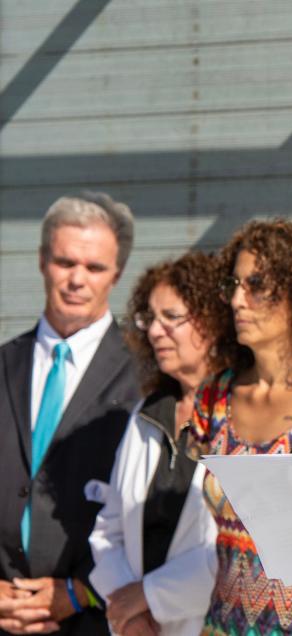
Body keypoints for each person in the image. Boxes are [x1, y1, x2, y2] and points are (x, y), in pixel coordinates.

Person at [186, 218, 292, 635]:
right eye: (235, 285)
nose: (238, 301)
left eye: (257, 285)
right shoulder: (213, 397)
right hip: (223, 624)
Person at [0, 192, 140, 635]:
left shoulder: (148, 376)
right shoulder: (4, 362)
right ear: (42, 261)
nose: (77, 279)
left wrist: (81, 591)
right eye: (65, 262)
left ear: (115, 274)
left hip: (95, 619)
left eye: (95, 267)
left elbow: (159, 513)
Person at [88, 252, 229, 636]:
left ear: (214, 321)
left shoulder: (244, 414)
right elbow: (108, 530)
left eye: (171, 317)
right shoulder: (147, 415)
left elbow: (241, 550)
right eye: (150, 318)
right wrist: (131, 617)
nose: (154, 331)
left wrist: (148, 595)